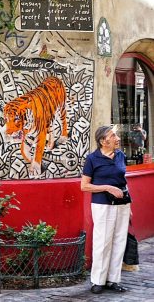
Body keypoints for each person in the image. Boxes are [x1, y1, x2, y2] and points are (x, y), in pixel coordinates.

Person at [81, 124, 131, 294]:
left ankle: (113, 279)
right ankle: (98, 281)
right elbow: (84, 186)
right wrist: (107, 188)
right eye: (113, 136)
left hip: (122, 204)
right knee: (102, 242)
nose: (117, 139)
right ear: (103, 141)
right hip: (102, 204)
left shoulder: (120, 155)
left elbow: (123, 180)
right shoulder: (92, 159)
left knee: (119, 241)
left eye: (116, 136)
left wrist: (129, 205)